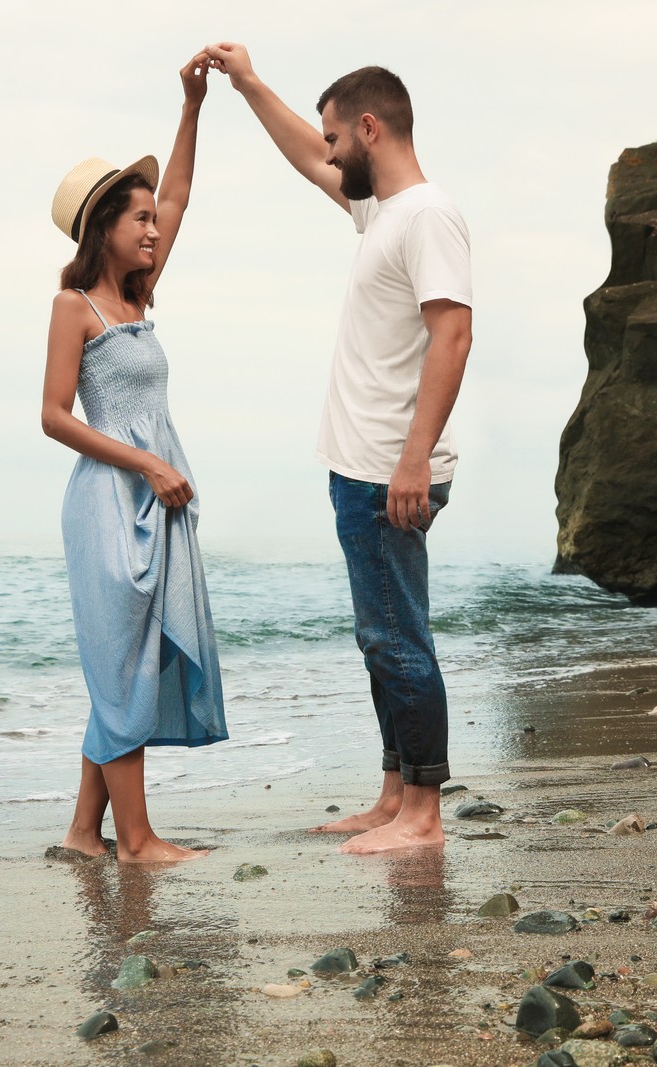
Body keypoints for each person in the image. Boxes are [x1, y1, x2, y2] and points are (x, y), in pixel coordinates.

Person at [205, 43, 472, 854]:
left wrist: (414, 458)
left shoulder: (426, 215)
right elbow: (300, 155)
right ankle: (395, 792)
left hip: (393, 470)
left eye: (335, 137)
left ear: (369, 128)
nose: (327, 151)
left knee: (397, 636)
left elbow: (453, 334)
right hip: (363, 467)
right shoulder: (383, 212)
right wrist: (249, 84)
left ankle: (423, 813)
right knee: (379, 636)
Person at [41, 52, 226, 864]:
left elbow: (182, 192)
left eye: (154, 218)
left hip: (159, 498)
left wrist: (192, 107)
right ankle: (136, 837)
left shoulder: (140, 297)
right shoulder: (73, 307)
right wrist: (146, 464)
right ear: (102, 228)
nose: (154, 227)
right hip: (109, 504)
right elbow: (52, 416)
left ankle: (86, 833)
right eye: (138, 218)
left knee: (131, 661)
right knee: (121, 663)